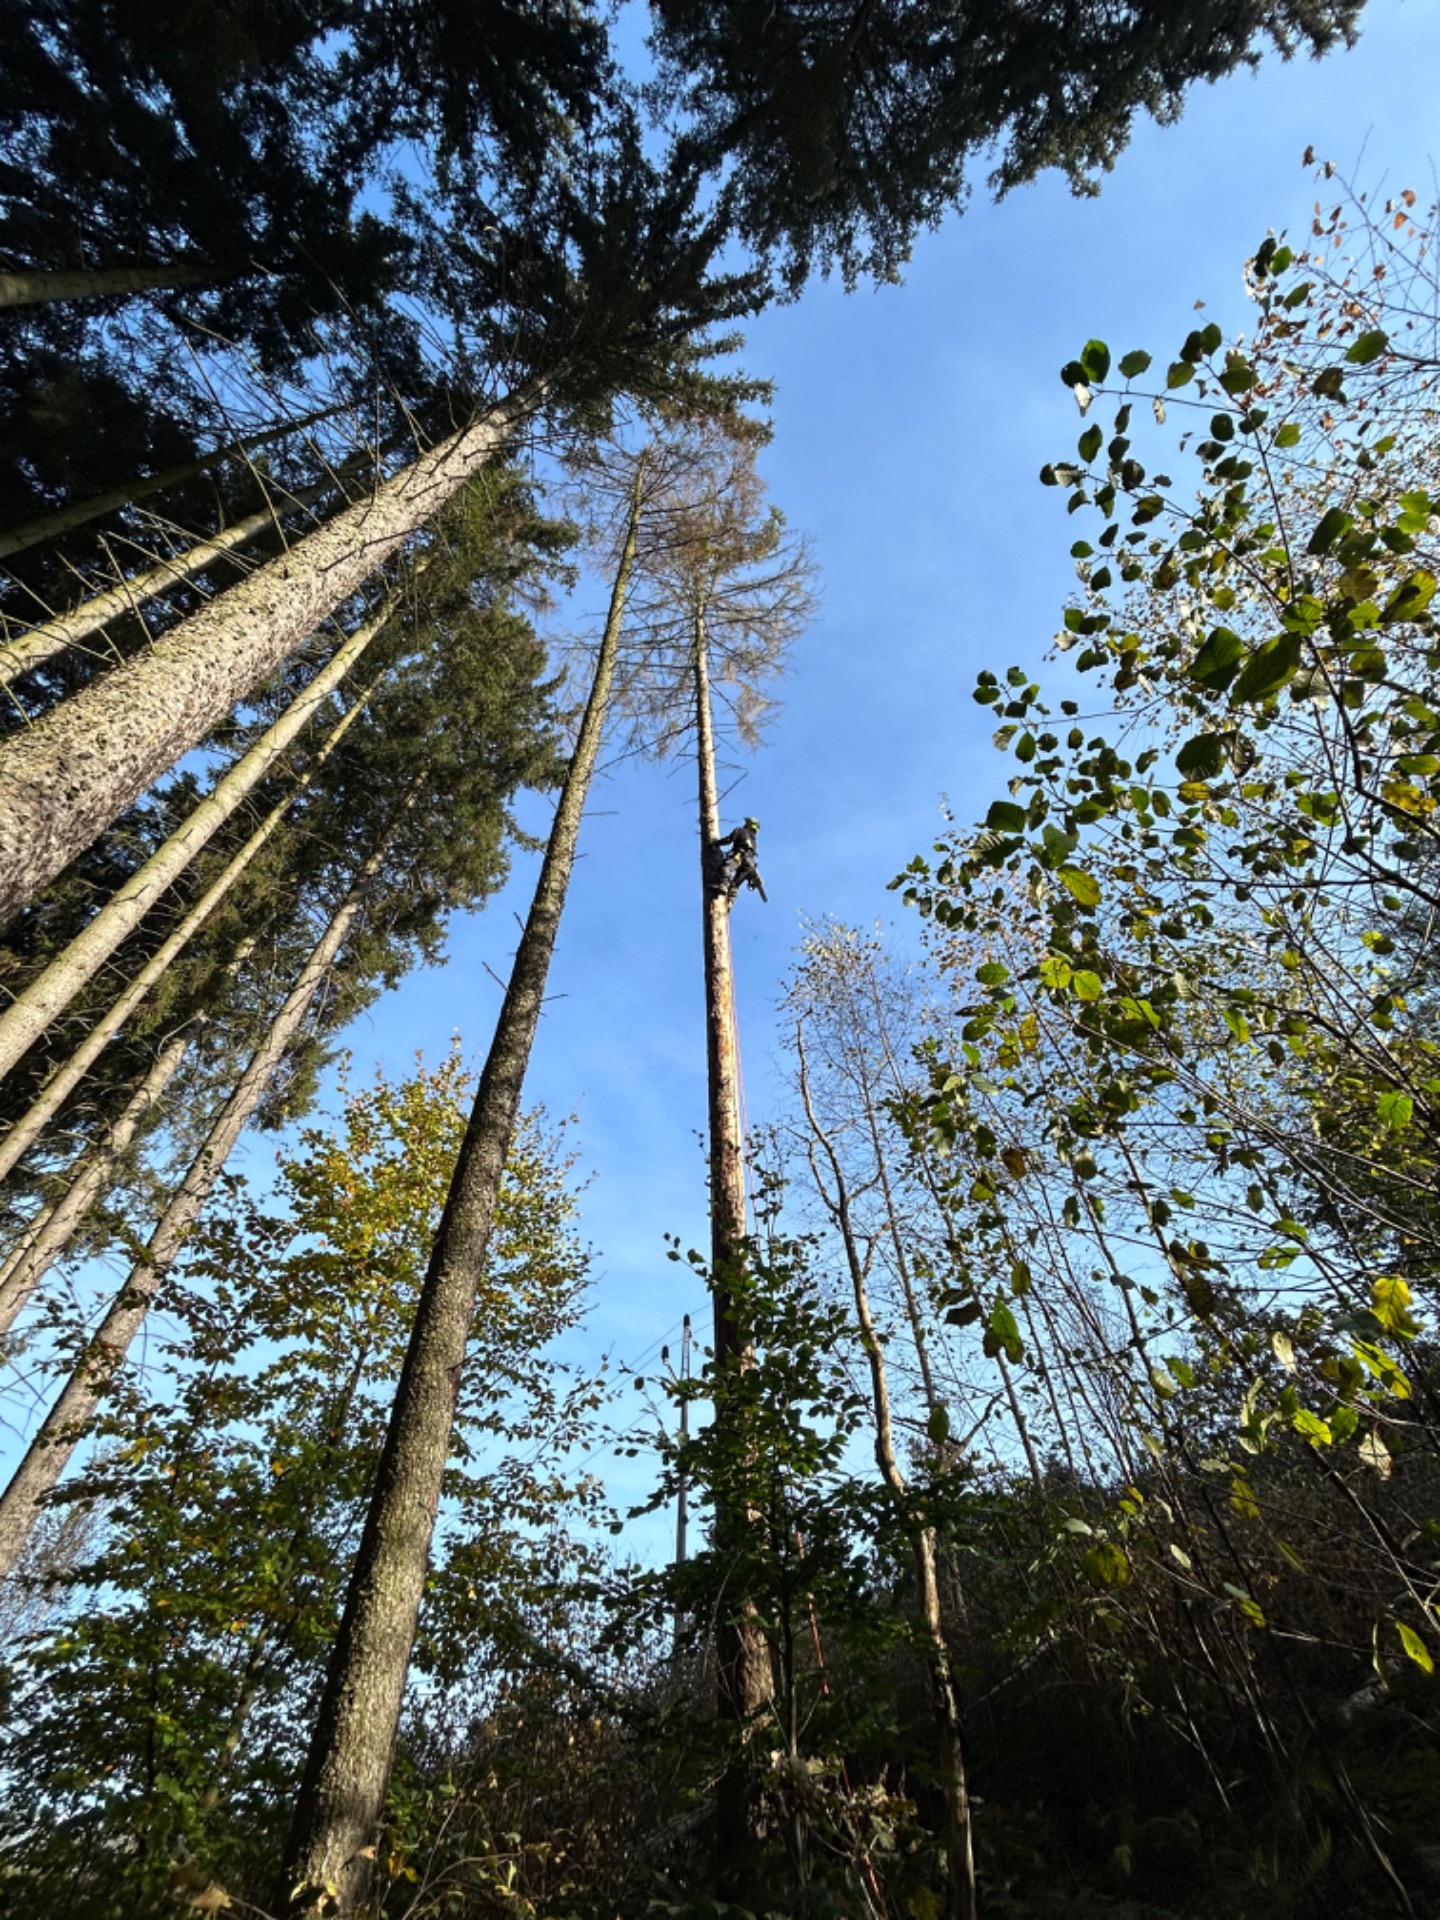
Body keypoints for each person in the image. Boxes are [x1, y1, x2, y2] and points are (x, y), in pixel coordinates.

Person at [715, 817, 766, 904]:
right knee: (735, 884)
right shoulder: (753, 840)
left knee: (726, 869)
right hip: (750, 864)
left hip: (739, 857)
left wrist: (714, 843)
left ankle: (723, 886)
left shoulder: (740, 831)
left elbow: (728, 840)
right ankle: (731, 899)